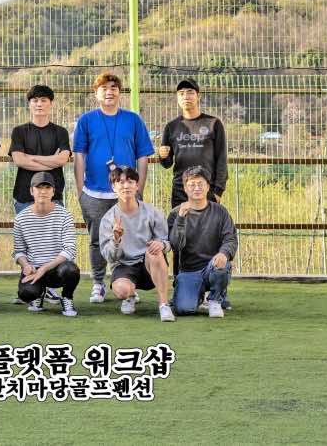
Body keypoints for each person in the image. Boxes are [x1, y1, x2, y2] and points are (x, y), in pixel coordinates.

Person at [72, 72, 155, 304]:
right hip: (94, 193)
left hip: (127, 193)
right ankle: (98, 283)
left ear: (119, 92)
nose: (109, 92)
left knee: (129, 237)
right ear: (96, 93)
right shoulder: (86, 120)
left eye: (113, 88)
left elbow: (143, 156)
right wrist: (80, 191)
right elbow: (79, 156)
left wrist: (138, 189)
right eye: (104, 88)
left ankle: (129, 281)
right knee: (97, 240)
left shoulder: (133, 120)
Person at [9, 83, 72, 304]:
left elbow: (62, 159)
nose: (39, 104)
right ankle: (30, 283)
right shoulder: (19, 131)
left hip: (54, 196)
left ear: (50, 104)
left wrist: (32, 158)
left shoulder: (60, 132)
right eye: (35, 100)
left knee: (53, 242)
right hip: (23, 195)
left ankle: (51, 286)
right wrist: (49, 161)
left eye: (43, 100)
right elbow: (19, 160)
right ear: (29, 104)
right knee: (27, 243)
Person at [98, 166, 174, 322]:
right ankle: (130, 296)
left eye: (130, 182)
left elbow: (167, 241)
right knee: (122, 290)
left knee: (154, 252)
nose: (126, 186)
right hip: (124, 265)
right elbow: (109, 257)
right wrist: (116, 240)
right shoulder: (108, 219)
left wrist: (161, 245)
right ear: (113, 187)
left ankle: (164, 304)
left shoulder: (152, 212)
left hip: (149, 263)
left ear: (137, 185)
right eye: (120, 182)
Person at [169, 166, 238, 318]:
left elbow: (231, 239)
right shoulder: (175, 213)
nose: (196, 188)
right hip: (188, 271)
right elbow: (175, 245)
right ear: (185, 188)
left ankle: (215, 299)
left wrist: (224, 253)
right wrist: (180, 219)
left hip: (212, 266)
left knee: (222, 264)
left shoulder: (220, 212)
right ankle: (197, 294)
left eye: (200, 184)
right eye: (192, 184)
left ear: (208, 187)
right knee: (184, 309)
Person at [12, 172, 79, 317]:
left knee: (71, 270)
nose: (43, 191)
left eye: (47, 187)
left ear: (53, 191)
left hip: (57, 269)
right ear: (31, 191)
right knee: (26, 294)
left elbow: (70, 249)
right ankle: (38, 294)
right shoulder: (21, 218)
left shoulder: (65, 215)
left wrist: (44, 268)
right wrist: (25, 265)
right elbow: (18, 251)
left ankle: (67, 297)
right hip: (34, 270)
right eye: (39, 187)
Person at [158, 78, 228, 209]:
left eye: (190, 92)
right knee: (181, 223)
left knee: (207, 223)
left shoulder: (213, 123)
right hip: (180, 191)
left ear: (198, 96)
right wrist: (162, 156)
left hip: (206, 190)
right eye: (181, 93)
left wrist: (218, 191)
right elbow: (166, 164)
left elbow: (222, 159)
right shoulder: (171, 127)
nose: (186, 96)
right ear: (177, 98)